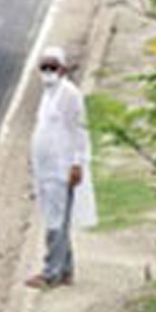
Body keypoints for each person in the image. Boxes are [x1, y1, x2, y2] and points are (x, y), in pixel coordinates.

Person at [26, 46, 96, 289]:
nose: (48, 71)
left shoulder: (69, 94)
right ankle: (66, 270)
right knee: (58, 220)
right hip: (46, 170)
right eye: (44, 67)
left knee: (55, 223)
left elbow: (79, 131)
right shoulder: (48, 94)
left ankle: (50, 273)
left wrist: (76, 164)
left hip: (61, 168)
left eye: (52, 67)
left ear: (63, 69)